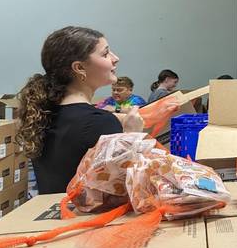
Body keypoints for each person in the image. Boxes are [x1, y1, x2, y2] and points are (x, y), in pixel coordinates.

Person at [17, 26, 143, 194]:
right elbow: (123, 188)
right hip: (90, 217)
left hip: (55, 213)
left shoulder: (44, 113)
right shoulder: (99, 122)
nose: (115, 58)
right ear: (80, 68)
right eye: (105, 54)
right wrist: (132, 135)